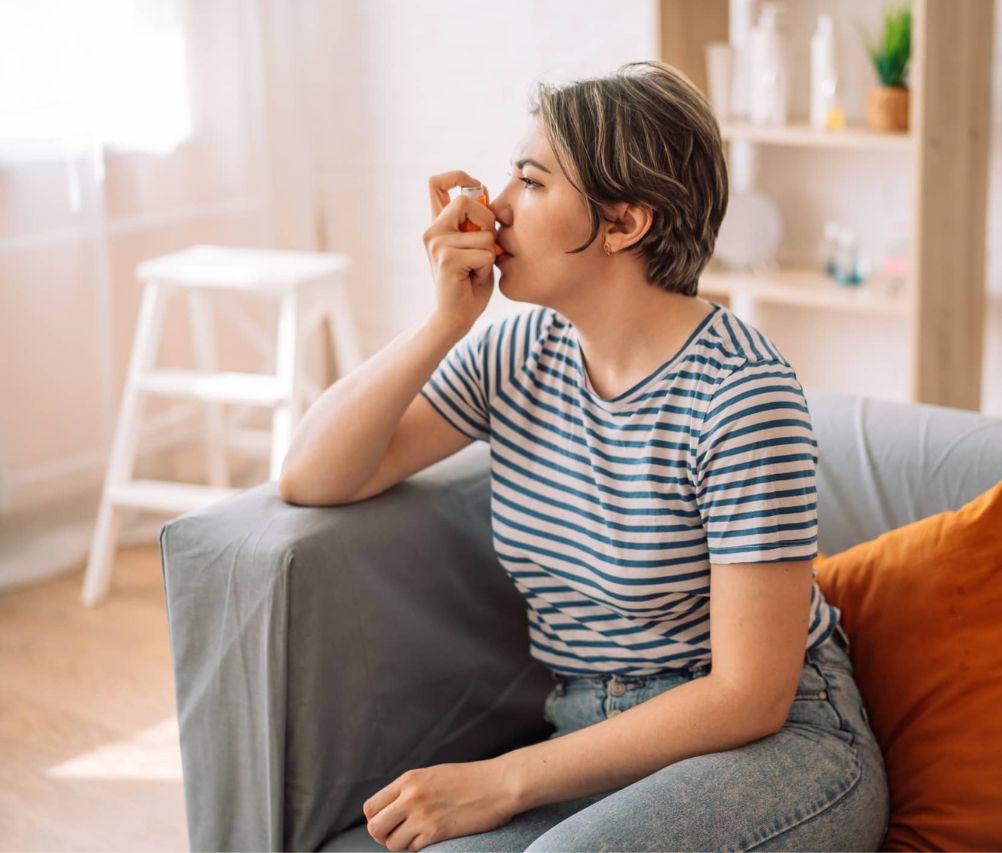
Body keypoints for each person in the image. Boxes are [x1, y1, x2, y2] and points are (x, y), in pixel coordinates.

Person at [281, 60, 888, 853]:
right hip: (591, 742)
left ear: (624, 223)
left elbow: (749, 695)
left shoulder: (740, 394)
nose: (493, 208)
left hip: (780, 748)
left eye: (531, 183)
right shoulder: (520, 354)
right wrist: (442, 325)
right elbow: (312, 474)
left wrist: (501, 779)